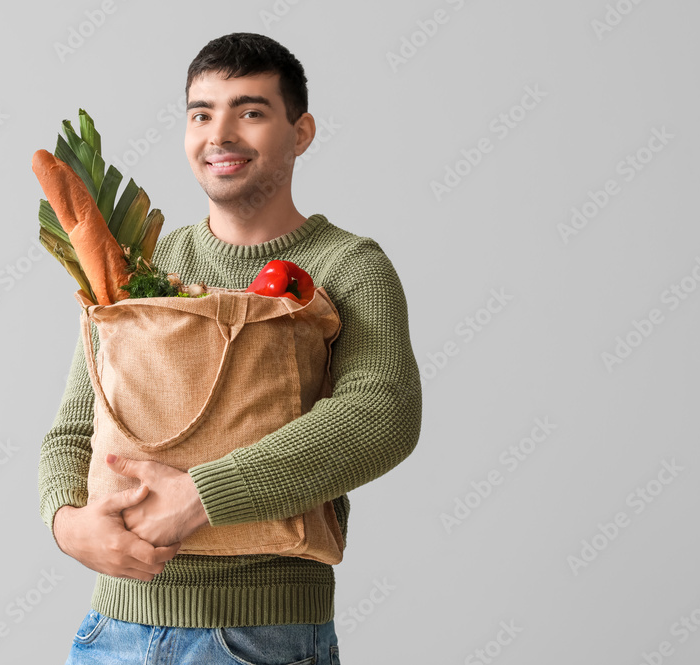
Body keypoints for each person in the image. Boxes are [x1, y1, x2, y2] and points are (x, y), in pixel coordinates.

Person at [39, 32, 423, 664]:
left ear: (300, 133)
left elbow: (382, 416)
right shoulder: (143, 265)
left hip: (257, 638)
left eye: (249, 111)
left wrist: (201, 498)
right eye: (201, 113)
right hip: (111, 632)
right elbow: (75, 427)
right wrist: (68, 524)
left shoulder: (349, 266)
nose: (219, 134)